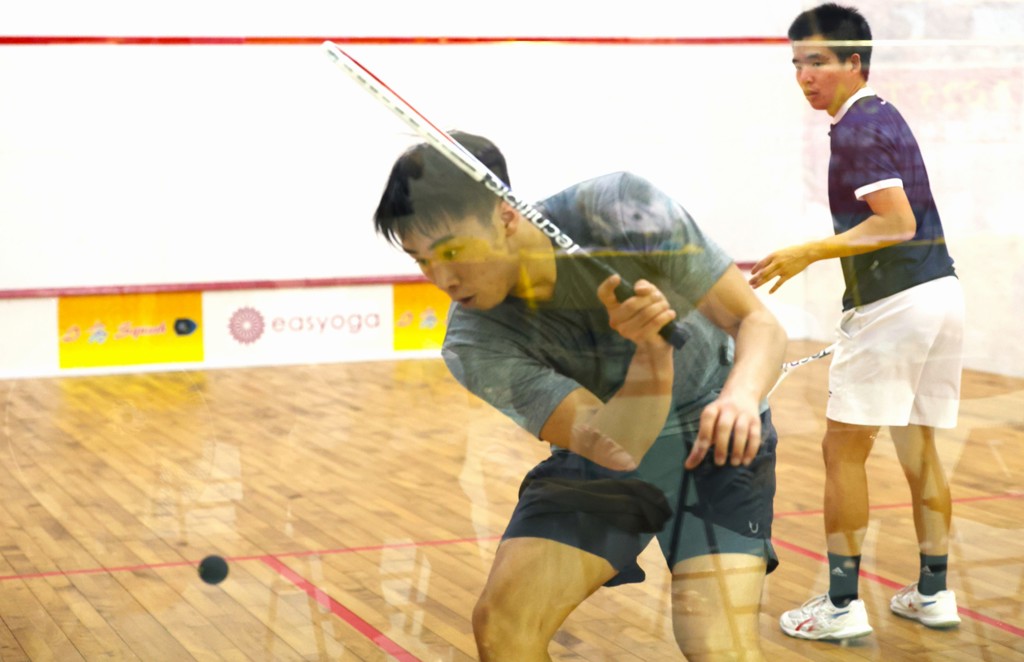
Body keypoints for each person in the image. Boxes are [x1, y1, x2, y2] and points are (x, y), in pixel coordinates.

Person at [373, 131, 788, 661]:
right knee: (504, 627)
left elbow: (756, 323)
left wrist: (741, 397)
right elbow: (618, 448)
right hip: (610, 455)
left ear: (505, 215)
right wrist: (652, 356)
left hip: (717, 443)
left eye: (452, 251)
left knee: (714, 644)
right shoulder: (475, 343)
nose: (442, 279)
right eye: (421, 260)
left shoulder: (619, 210)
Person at [749, 3, 965, 641]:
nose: (804, 76)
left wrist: (807, 252)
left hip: (897, 305)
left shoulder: (856, 131)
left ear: (854, 62)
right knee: (919, 448)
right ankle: (934, 593)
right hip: (940, 293)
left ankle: (841, 605)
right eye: (797, 64)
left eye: (817, 62)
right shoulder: (882, 115)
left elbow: (894, 222)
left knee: (842, 451)